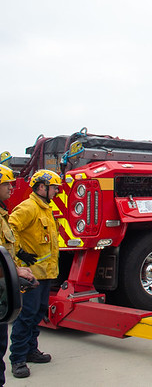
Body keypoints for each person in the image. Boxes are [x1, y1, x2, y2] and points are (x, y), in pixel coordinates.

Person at [8, 169, 61, 379]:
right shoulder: (28, 207)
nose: (56, 191)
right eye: (54, 187)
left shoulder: (46, 208)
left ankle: (31, 350)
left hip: (45, 273)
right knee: (26, 314)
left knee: (38, 313)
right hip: (31, 275)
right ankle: (18, 359)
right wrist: (19, 251)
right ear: (42, 187)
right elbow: (10, 228)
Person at [0, 165, 37, 385]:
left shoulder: (3, 213)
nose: (11, 188)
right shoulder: (27, 208)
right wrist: (15, 271)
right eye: (6, 184)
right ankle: (19, 358)